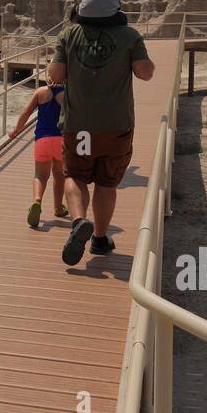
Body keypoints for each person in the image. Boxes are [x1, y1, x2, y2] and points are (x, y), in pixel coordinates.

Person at [48, 15, 155, 266]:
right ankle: (99, 238)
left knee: (76, 175)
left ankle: (78, 221)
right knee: (106, 183)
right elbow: (145, 73)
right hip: (115, 127)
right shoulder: (129, 36)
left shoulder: (68, 36)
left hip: (80, 126)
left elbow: (55, 75)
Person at [9, 81, 69, 229]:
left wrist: (16, 130)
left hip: (42, 140)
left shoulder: (40, 92)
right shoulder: (69, 93)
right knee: (59, 175)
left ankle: (37, 201)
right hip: (62, 139)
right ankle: (58, 208)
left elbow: (25, 113)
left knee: (40, 175)